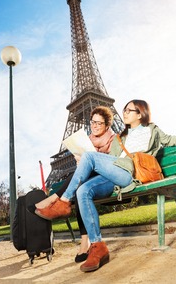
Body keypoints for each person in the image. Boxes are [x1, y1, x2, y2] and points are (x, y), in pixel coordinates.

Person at [35, 99, 176, 272]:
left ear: (140, 113)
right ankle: (98, 247)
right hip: (113, 174)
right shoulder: (120, 137)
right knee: (83, 190)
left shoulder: (152, 130)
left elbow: (169, 140)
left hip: (129, 172)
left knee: (89, 157)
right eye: (124, 110)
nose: (124, 113)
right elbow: (109, 160)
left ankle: (62, 203)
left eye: (129, 110)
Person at [33, 106, 116, 263]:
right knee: (79, 187)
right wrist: (81, 163)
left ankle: (55, 200)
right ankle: (85, 241)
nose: (95, 126)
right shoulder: (88, 141)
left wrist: (91, 160)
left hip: (104, 178)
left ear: (107, 125)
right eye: (93, 122)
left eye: (99, 123)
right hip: (88, 178)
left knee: (79, 181)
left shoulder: (113, 139)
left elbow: (113, 164)